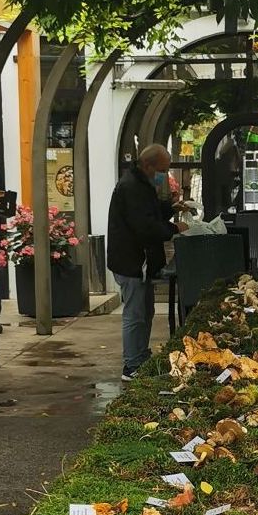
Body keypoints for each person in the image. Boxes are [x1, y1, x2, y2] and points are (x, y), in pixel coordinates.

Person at [107, 144, 189, 382]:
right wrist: (175, 228)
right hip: (132, 262)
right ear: (148, 165)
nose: (163, 174)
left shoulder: (140, 183)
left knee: (146, 311)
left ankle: (140, 357)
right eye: (162, 169)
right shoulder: (132, 187)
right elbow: (144, 226)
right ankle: (132, 365)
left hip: (137, 261)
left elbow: (149, 213)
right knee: (135, 314)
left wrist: (169, 208)